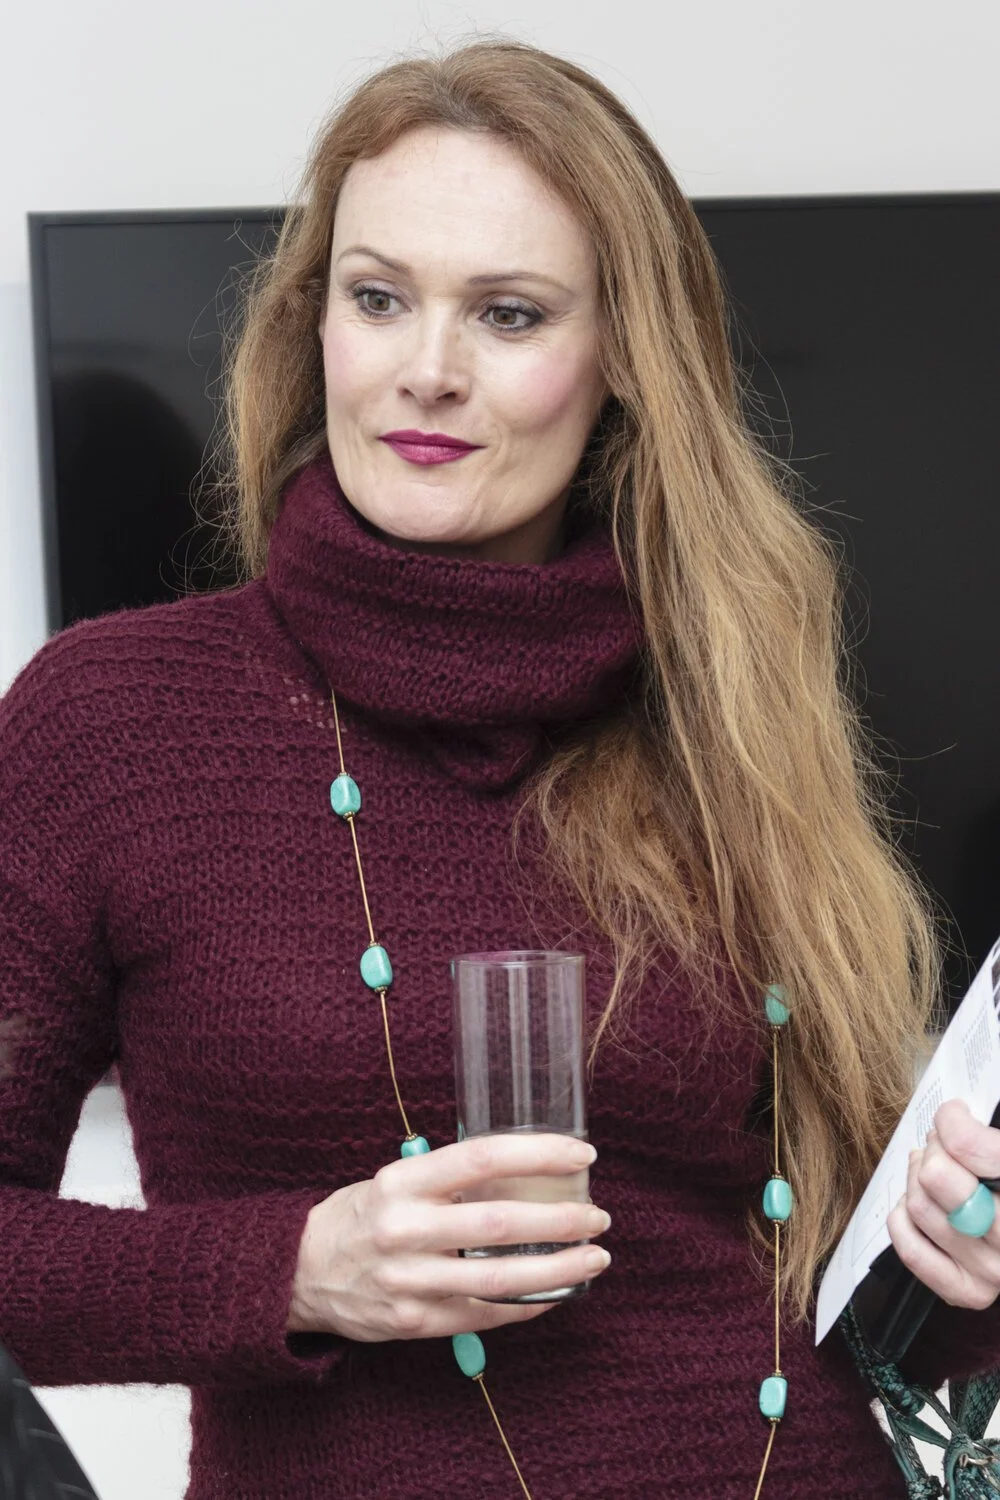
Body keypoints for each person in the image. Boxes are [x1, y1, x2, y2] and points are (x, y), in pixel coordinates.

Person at [1, 36, 999, 1500]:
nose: (428, 369)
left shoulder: (732, 708)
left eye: (510, 313)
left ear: (624, 365)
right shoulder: (114, 721)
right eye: (377, 297)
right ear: (314, 322)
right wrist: (299, 1270)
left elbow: (847, 1289)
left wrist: (965, 1266)